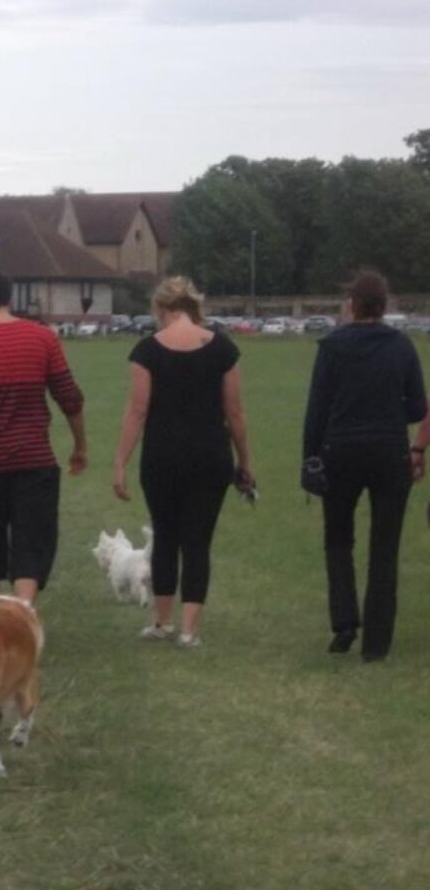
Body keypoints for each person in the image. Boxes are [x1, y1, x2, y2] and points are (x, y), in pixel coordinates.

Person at [113, 277, 251, 648]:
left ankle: (161, 622)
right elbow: (234, 412)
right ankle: (190, 630)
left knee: (165, 537)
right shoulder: (223, 349)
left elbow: (137, 412)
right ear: (193, 308)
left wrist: (120, 463)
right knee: (197, 542)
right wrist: (245, 461)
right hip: (211, 457)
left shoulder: (147, 351)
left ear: (163, 309)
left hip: (162, 458)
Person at [302, 270, 426, 661]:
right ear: (386, 305)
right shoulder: (402, 347)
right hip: (390, 453)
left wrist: (310, 458)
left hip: (340, 452)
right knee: (384, 548)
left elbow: (316, 410)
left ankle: (343, 623)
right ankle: (377, 644)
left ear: (352, 304)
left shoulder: (332, 346)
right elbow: (416, 408)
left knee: (338, 539)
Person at [0, 269, 87, 607]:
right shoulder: (43, 338)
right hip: (35, 459)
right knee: (32, 543)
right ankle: (22, 612)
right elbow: (70, 398)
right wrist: (80, 445)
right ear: (11, 298)